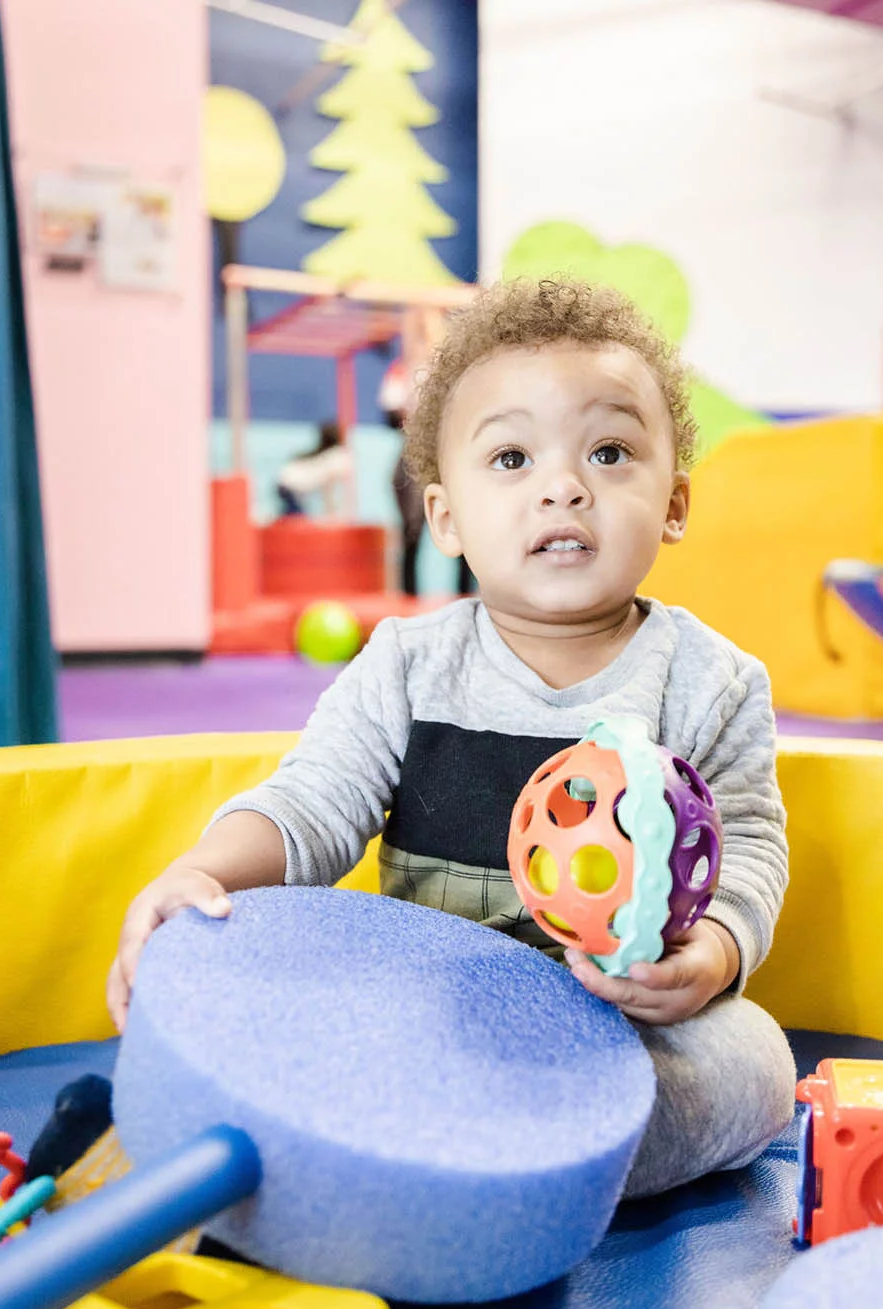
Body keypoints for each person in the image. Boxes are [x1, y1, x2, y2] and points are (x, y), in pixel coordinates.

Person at [104, 279, 796, 1200]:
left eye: (609, 450)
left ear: (673, 503)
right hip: (427, 1017)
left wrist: (707, 957)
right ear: (446, 518)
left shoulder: (714, 680)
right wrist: (204, 872)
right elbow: (313, 802)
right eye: (511, 457)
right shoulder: (407, 663)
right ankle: (465, 1157)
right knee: (253, 964)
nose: (563, 486)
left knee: (756, 1065)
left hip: (619, 1036)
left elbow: (746, 845)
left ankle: (456, 1161)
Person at [382, 354, 475, 597]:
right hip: (415, 453)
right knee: (412, 530)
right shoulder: (401, 370)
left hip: (446, 450)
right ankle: (408, 596)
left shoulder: (451, 365)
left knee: (463, 526)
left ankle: (464, 593)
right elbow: (390, 416)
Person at [275, 422, 352, 518]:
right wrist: (332, 513)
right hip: (291, 487)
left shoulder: (325, 455)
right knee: (296, 518)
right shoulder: (336, 456)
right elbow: (328, 487)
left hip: (285, 485)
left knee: (293, 515)